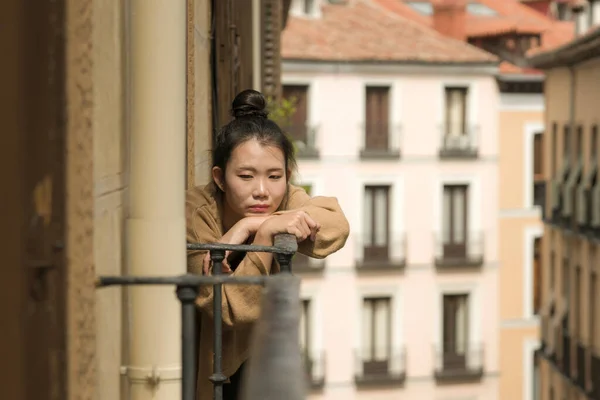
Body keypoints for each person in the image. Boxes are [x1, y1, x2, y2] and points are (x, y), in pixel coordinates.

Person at [186, 89, 350, 400]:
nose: (262, 191)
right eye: (246, 176)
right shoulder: (197, 212)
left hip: (264, 349)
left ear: (287, 176)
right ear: (220, 179)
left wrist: (250, 224)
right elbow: (229, 309)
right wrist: (265, 234)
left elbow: (336, 227)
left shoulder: (284, 197)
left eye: (274, 176)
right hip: (214, 369)